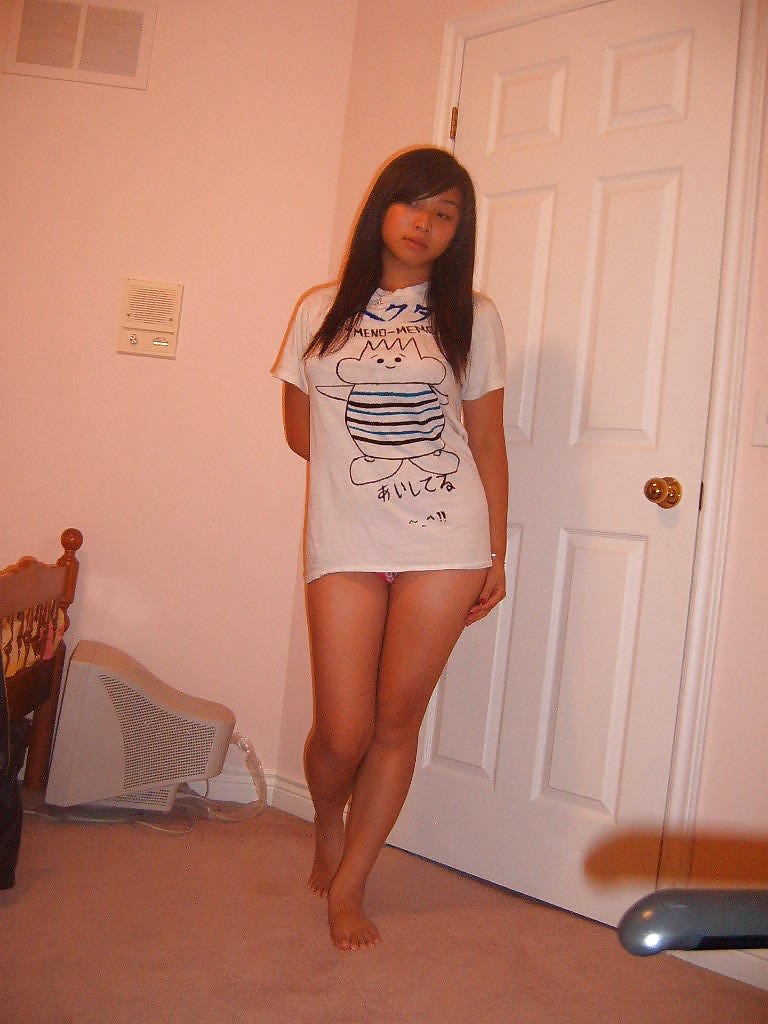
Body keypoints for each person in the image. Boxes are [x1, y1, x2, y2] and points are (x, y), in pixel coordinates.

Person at [273, 147, 508, 951]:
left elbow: (487, 440)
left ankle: (352, 883)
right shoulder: (318, 309)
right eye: (414, 204)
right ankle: (326, 819)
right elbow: (300, 430)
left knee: (396, 723)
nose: (424, 223)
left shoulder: (473, 316)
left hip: (446, 541)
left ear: (458, 232)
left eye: (446, 213)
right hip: (346, 538)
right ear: (383, 207)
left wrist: (495, 553)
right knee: (342, 733)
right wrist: (365, 473)